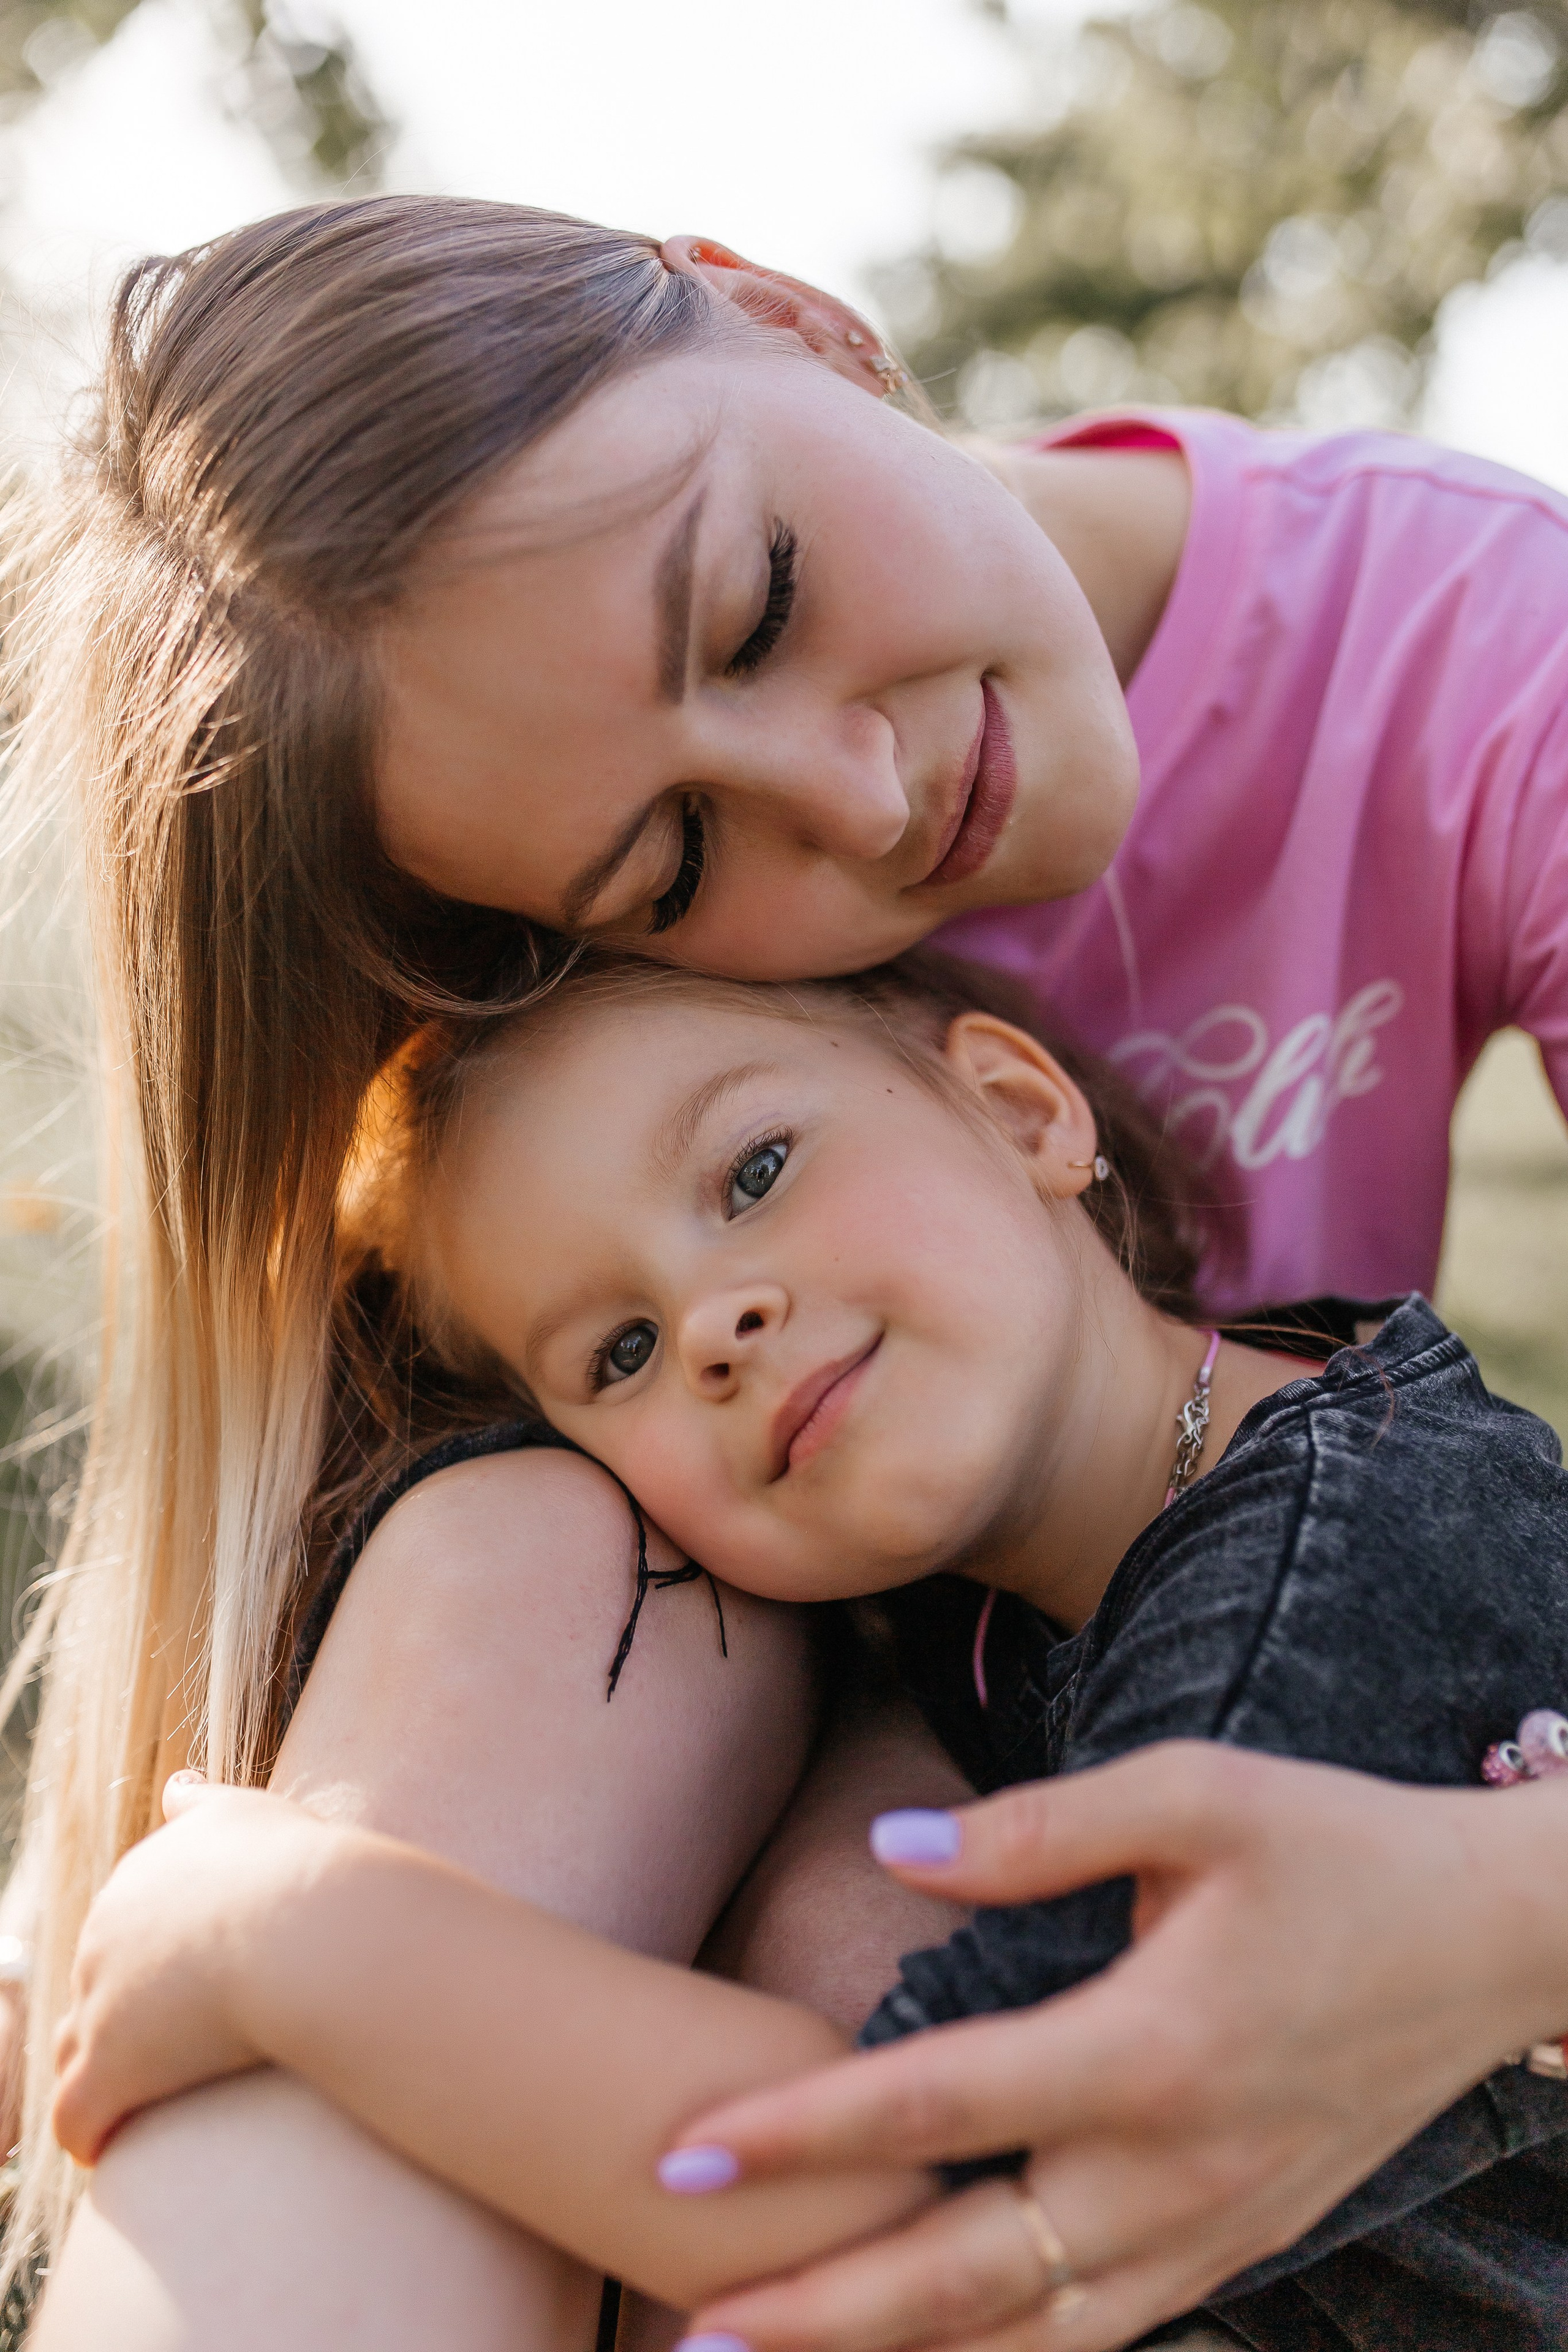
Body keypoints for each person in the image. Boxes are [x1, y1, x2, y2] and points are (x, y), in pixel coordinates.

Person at [9, 186, 1568, 2339]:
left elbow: (934, 2203)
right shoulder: (579, 1113)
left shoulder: (1497, 660)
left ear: (793, 318)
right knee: (539, 1569)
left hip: (1234, 1846)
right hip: (913, 1683)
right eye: (669, 860)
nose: (856, 789)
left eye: (753, 605)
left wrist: (1508, 1911)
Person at [43, 945, 1568, 2351]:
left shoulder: (1330, 1595)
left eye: (754, 1170)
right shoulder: (1177, 1479)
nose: (712, 1320)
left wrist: (299, 1936)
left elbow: (921, 2217)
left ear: (1022, 1109)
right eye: (619, 1352)